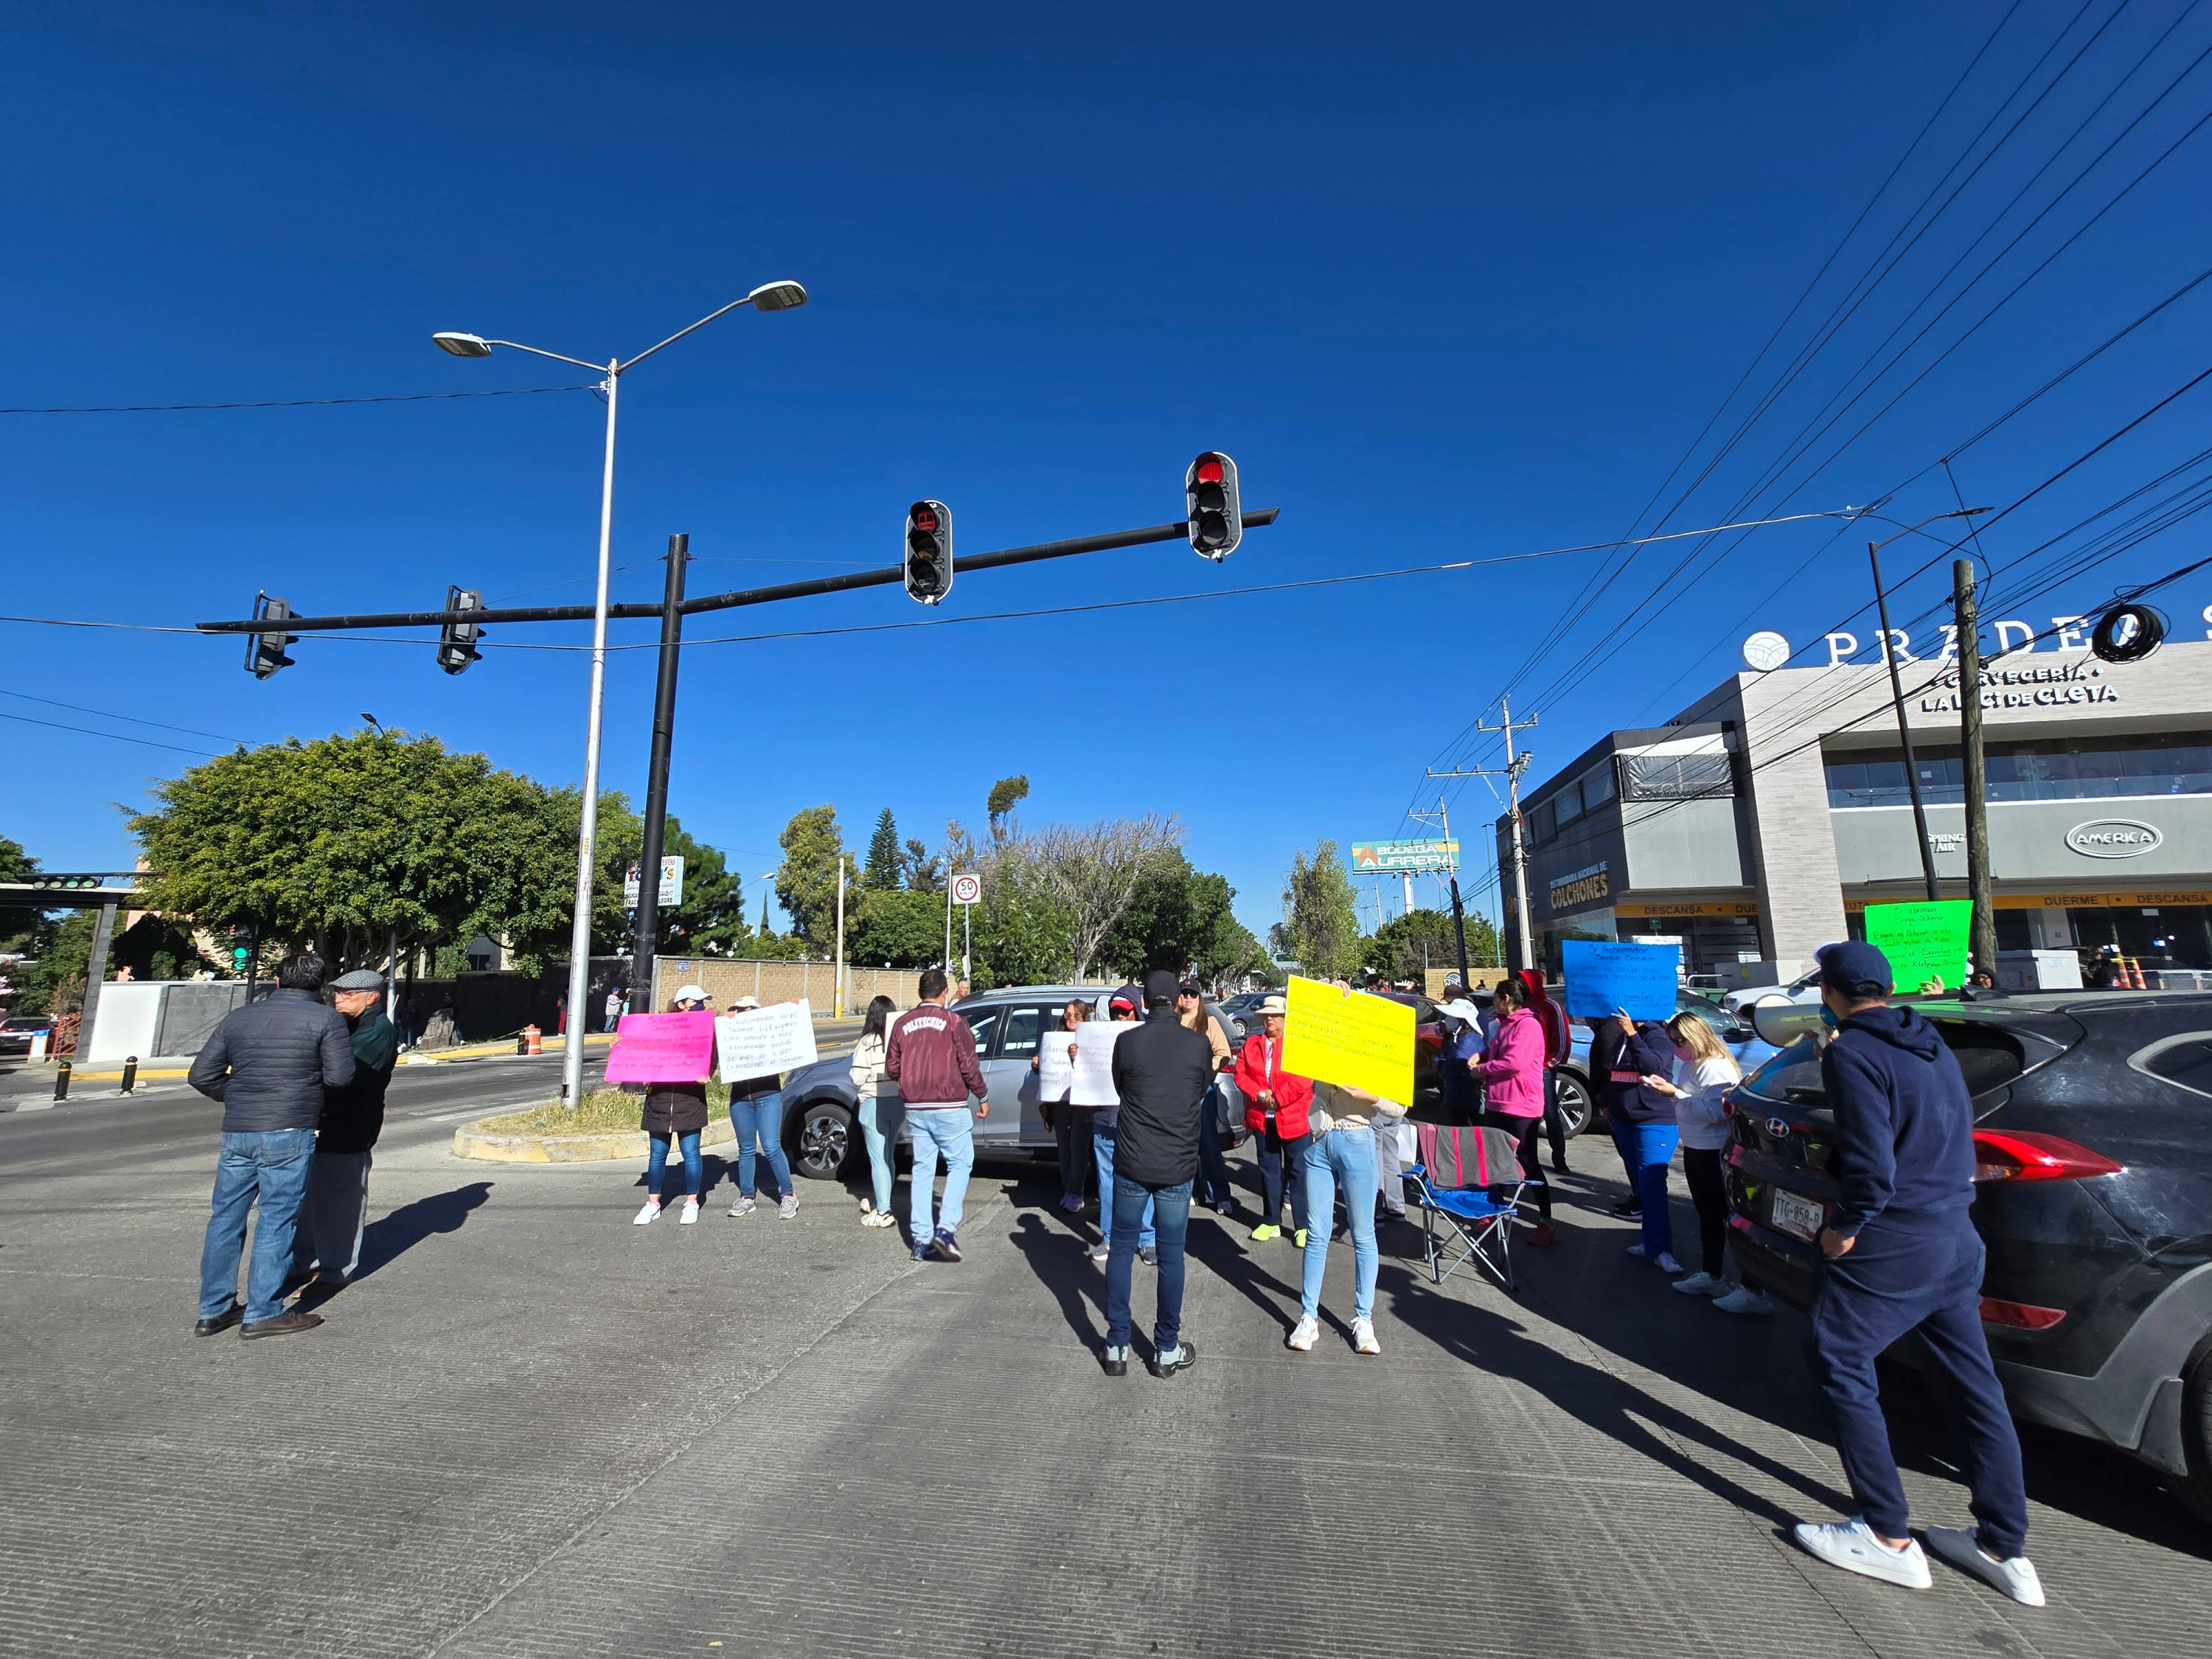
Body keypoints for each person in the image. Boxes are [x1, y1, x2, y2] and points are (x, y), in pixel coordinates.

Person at [1790, 941, 2043, 1607]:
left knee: (1839, 1358)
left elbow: (1872, 1164)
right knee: (1973, 1384)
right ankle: (2003, 1544)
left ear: (1833, 991)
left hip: (1893, 1239)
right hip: (1955, 1233)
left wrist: (1843, 1226)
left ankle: (1886, 1536)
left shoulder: (1851, 1051)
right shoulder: (1925, 1036)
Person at [188, 952, 355, 1340]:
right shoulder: (326, 1019)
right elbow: (341, 1077)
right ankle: (263, 1312)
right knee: (277, 1219)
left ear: (278, 981)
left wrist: (241, 1095)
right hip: (289, 1130)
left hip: (239, 1130)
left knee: (225, 1220)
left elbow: (201, 1075)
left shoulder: (240, 1017)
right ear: (318, 986)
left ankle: (213, 1310)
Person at [1098, 970, 1214, 1378]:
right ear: (1176, 1001)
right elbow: (1200, 1088)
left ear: (1145, 1002)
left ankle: (1116, 1344)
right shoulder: (1198, 1045)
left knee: (1122, 1250)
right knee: (1170, 1256)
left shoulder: (1127, 1041)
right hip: (1177, 1164)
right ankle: (1166, 1348)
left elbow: (1120, 1088)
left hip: (1132, 1160)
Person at [291, 968, 398, 1282]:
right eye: (338, 993)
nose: (339, 999)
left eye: (348, 995)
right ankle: (304, 1263)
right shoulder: (346, 1025)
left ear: (372, 998)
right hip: (322, 1123)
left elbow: (345, 1076)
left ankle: (335, 1269)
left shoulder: (377, 1030)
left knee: (341, 1202)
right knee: (309, 1200)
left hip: (351, 1125)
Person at [1288, 1068, 1405, 1356]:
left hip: (1357, 1137)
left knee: (1363, 1235)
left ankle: (1363, 1319)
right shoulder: (1325, 1038)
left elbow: (1399, 1108)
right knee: (1317, 1234)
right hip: (1319, 1142)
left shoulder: (1374, 1044)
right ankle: (1308, 1316)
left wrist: (1370, 1096)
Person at [885, 967, 990, 1262]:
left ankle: (920, 1240)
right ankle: (945, 1228)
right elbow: (968, 1064)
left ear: (919, 994)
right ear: (945, 994)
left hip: (916, 1106)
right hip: (949, 1104)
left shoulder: (902, 1023)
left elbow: (893, 1068)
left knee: (922, 1169)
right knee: (960, 1163)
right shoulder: (954, 1022)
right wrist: (982, 1095)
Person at [1638, 1010, 1739, 1294]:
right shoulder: (1692, 1065)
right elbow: (1692, 1105)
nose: (1675, 1047)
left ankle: (1725, 1277)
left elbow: (1718, 1113)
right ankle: (1712, 1274)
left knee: (1718, 1215)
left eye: (1680, 1040)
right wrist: (1668, 1092)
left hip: (1712, 1149)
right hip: (1696, 1146)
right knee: (1707, 1214)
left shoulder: (1714, 1067)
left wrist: (1676, 1095)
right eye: (1672, 1040)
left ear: (1696, 1037)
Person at [1468, 976, 1558, 1246]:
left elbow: (1514, 1062)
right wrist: (1481, 1056)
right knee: (1496, 1159)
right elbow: (1496, 1051)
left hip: (1522, 1105)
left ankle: (1547, 1222)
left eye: (1495, 999)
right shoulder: (1504, 1025)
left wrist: (1480, 1070)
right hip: (1498, 1102)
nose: (1493, 1005)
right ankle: (1495, 1210)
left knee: (1528, 1161)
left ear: (1506, 999)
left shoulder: (1528, 1025)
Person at [1608, 1005, 1685, 1272]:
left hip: (1654, 1120)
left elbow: (1653, 1068)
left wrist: (1632, 1034)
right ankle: (1651, 1241)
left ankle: (1662, 1249)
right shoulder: (1623, 1035)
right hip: (1625, 1119)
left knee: (1653, 1185)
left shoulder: (1656, 1035)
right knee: (1643, 1186)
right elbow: (1615, 1072)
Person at [1233, 994, 1312, 1244]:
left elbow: (1303, 1081)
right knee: (1269, 1171)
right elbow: (1240, 1074)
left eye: (1274, 1015)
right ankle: (1271, 1220)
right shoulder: (1252, 1044)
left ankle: (1302, 1225)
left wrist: (1277, 1099)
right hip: (1262, 1119)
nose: (1269, 1020)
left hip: (1294, 1118)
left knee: (1298, 1171)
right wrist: (1259, 1094)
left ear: (1286, 1018)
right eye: (1266, 1015)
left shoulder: (1298, 1045)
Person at [1084, 994, 1157, 1265]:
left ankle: (1147, 1239)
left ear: (1137, 1012)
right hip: (1105, 1120)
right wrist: (1076, 1058)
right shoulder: (1097, 1037)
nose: (1120, 1017)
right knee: (1107, 1179)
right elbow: (1083, 1078)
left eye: (1126, 1012)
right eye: (1116, 1012)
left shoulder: (1147, 1039)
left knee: (1143, 1178)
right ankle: (1110, 1235)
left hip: (1138, 1122)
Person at [635, 985, 713, 1225]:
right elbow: (640, 1052)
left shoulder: (706, 1030)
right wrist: (619, 1046)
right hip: (659, 1101)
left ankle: (691, 1202)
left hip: (690, 1101)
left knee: (691, 1153)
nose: (701, 1005)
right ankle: (653, 1203)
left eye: (703, 1001)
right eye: (696, 1001)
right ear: (681, 1005)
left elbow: (714, 1057)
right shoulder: (660, 1029)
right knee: (657, 1155)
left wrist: (707, 1071)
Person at [722, 993, 799, 1220]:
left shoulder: (769, 1030)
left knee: (771, 1146)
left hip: (767, 1095)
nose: (745, 1014)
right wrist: (726, 1023)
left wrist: (792, 1013)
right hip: (740, 1098)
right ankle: (747, 1197)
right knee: (746, 1149)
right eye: (739, 1009)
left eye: (750, 1010)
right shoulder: (731, 1031)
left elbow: (792, 1037)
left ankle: (788, 1195)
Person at [1175, 979, 1237, 1214]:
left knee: (1210, 1144)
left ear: (1199, 998)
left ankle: (1220, 1196)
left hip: (1203, 1091)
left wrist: (1206, 1072)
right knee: (1182, 1144)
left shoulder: (1209, 1021)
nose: (1188, 998)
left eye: (1193, 994)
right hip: (1177, 1092)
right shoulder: (1173, 1022)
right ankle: (1187, 1192)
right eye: (1184, 994)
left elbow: (1223, 1053)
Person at [849, 995, 904, 1229]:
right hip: (899, 1102)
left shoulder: (868, 1042)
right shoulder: (900, 1040)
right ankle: (884, 1200)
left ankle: (884, 1211)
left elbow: (858, 1077)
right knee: (888, 1155)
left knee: (877, 1158)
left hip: (874, 1101)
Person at [1034, 998, 1090, 1215]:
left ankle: (1077, 1192)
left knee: (1078, 1147)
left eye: (1077, 1014)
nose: (1072, 1018)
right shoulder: (1054, 1038)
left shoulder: (1089, 1039)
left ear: (1085, 1017)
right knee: (1064, 1147)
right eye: (1068, 1014)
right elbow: (1048, 1071)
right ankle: (1068, 1190)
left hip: (1083, 1101)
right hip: (1060, 1102)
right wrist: (1038, 1064)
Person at [1517, 968, 1573, 1175]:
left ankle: (1559, 1159)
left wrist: (1550, 1063)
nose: (1521, 986)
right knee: (1526, 1115)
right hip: (1522, 1069)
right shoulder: (1521, 1006)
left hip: (1543, 1069)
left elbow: (1562, 1038)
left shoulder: (1551, 1006)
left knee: (1551, 1115)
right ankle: (1527, 1161)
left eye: (1524, 982)